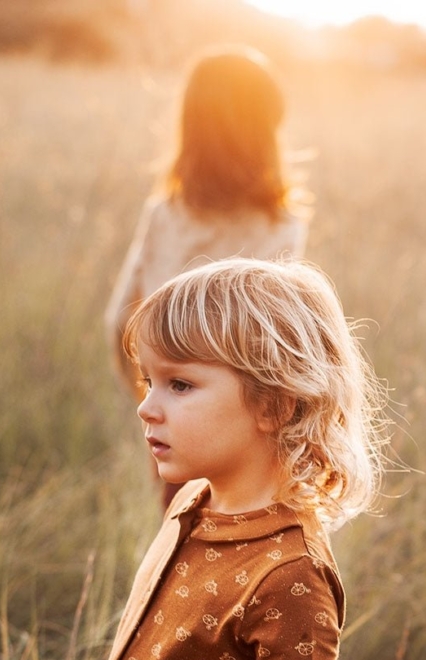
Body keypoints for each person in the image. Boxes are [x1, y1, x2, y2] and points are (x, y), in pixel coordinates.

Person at [64, 257, 390, 660]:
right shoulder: (191, 506)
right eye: (147, 382)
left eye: (179, 385)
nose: (146, 408)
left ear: (274, 402)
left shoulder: (289, 579)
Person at [105, 46, 310, 400]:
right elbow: (278, 354)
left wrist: (156, 394)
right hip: (243, 431)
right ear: (265, 133)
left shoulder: (164, 215)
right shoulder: (281, 228)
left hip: (165, 413)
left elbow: (119, 321)